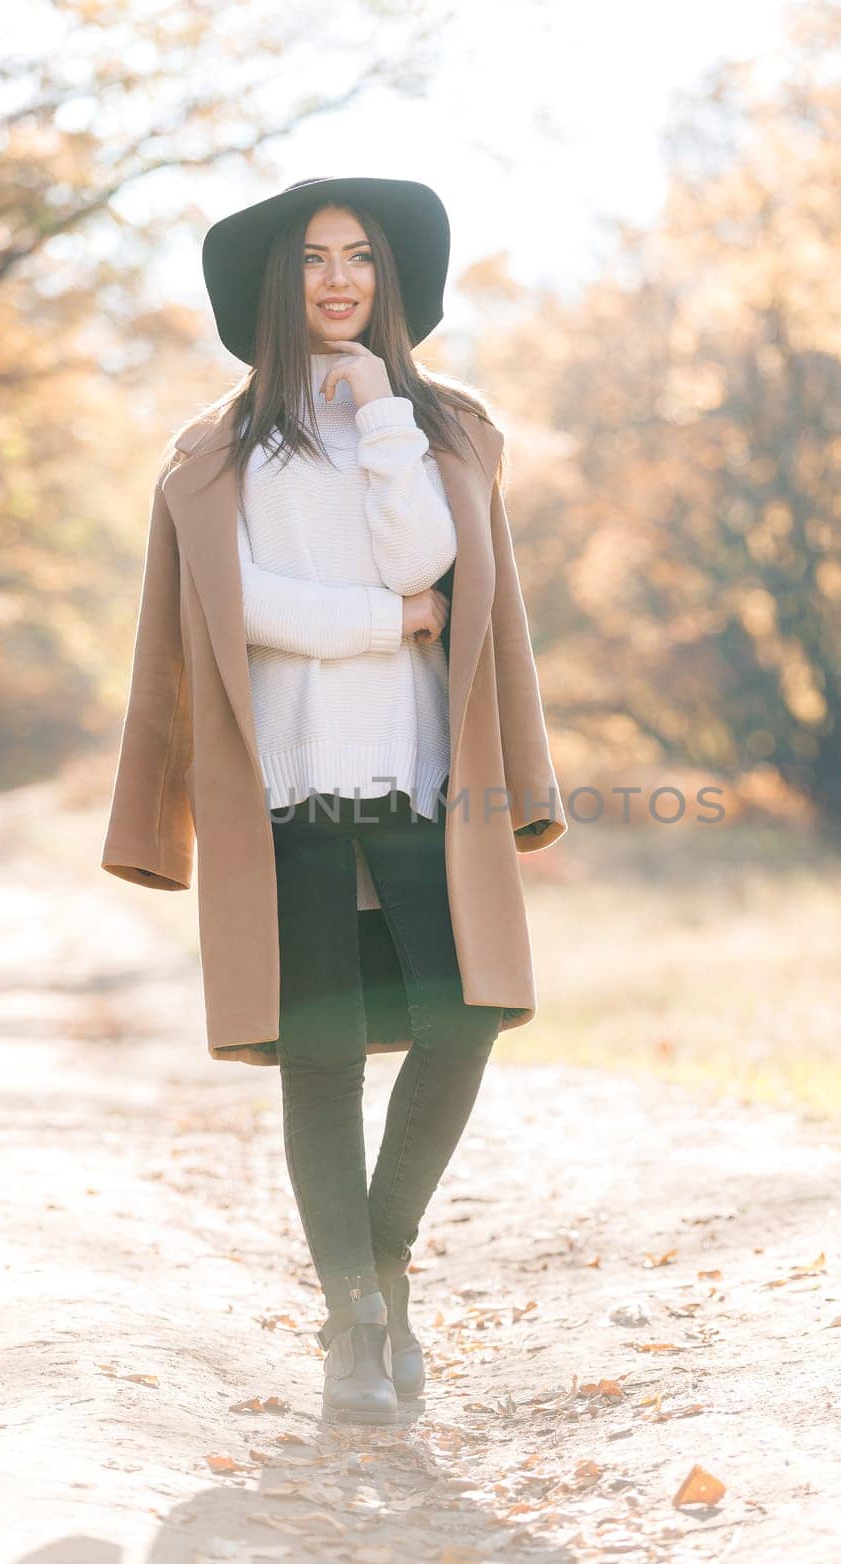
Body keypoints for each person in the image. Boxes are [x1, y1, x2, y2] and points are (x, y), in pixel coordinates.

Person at [104, 176, 564, 1429]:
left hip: (423, 782)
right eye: (311, 259)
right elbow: (241, 608)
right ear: (275, 280)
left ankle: (384, 1261)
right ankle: (351, 1325)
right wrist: (386, 624)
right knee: (316, 1063)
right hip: (288, 789)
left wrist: (380, 420)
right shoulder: (218, 450)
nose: (338, 279)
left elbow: (426, 558)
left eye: (359, 257)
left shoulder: (440, 427)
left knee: (463, 1017)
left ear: (389, 279)